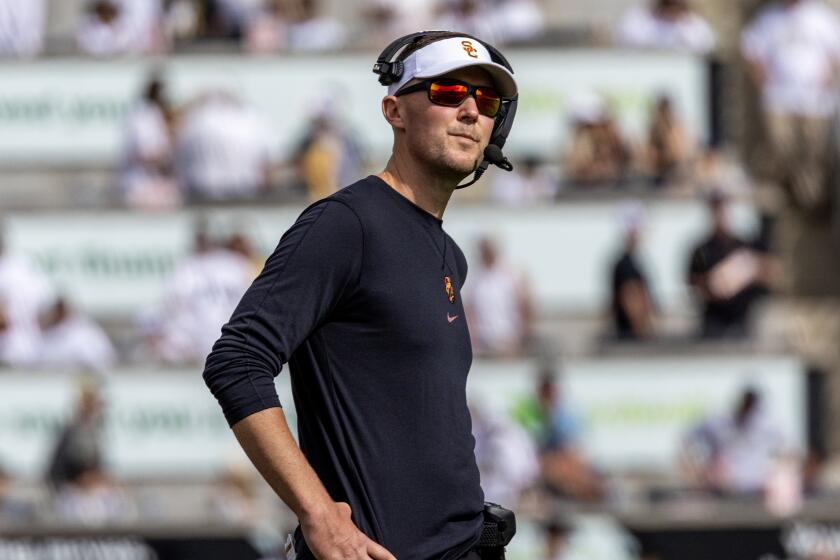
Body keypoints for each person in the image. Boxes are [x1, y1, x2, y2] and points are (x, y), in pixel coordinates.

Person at [203, 30, 519, 560]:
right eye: (446, 93)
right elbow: (236, 362)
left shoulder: (451, 255)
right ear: (394, 111)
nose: (469, 111)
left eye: (485, 101)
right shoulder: (346, 224)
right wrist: (319, 513)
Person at [741, 0, 840, 216]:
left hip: (815, 100)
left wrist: (827, 76)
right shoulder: (770, 17)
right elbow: (750, 47)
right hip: (779, 98)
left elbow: (835, 51)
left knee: (813, 150)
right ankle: (788, 194)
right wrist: (763, 79)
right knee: (781, 145)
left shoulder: (820, 16)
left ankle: (811, 199)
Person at [687, 192, 777, 338]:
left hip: (743, 319)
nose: (719, 215)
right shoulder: (701, 250)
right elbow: (693, 284)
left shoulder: (744, 246)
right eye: (715, 209)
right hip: (714, 321)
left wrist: (751, 272)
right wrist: (715, 284)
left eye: (721, 209)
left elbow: (771, 274)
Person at [681, 387, 785, 495]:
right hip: (723, 489)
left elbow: (784, 453)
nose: (748, 410)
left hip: (757, 489)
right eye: (746, 404)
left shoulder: (767, 427)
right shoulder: (719, 423)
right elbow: (687, 439)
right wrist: (699, 472)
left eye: (751, 406)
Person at [465, 237, 533, 357]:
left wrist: (522, 336)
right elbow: (470, 310)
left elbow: (524, 305)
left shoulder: (510, 275)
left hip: (508, 340)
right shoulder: (475, 278)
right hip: (483, 342)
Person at [610, 204, 655, 340]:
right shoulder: (625, 265)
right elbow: (631, 299)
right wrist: (643, 330)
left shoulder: (632, 262)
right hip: (630, 337)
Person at [616, 0, 714, 54]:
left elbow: (705, 45)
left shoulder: (694, 23)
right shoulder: (638, 18)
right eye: (668, 4)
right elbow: (628, 39)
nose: (671, 10)